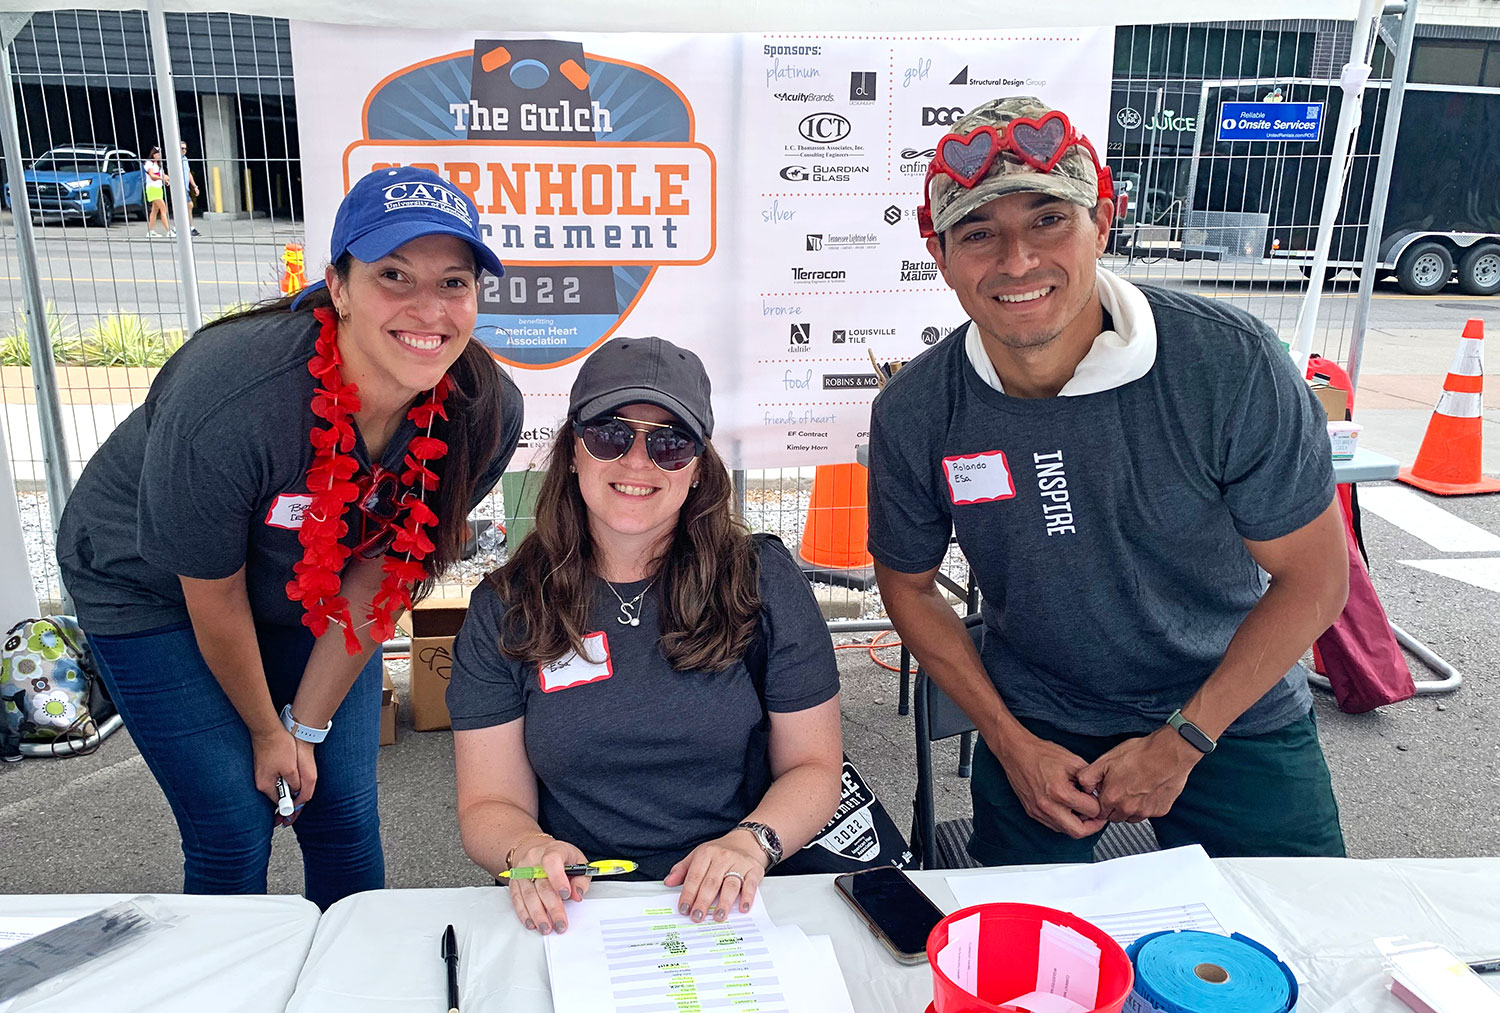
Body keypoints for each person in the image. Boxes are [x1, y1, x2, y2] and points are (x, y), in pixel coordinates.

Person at [868, 97, 1350, 866]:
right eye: (980, 234)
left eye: (1048, 220)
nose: (1017, 261)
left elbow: (1317, 580)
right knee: (1031, 972)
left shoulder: (1228, 362)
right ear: (941, 255)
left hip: (1231, 707)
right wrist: (1007, 739)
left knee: (1303, 951)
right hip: (1036, 725)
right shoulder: (917, 409)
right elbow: (909, 586)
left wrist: (1185, 737)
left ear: (1103, 219)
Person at [57, 165, 523, 909]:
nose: (427, 308)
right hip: (152, 588)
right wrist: (267, 733)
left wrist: (305, 724)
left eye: (454, 282)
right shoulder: (235, 393)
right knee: (233, 820)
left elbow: (386, 569)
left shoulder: (481, 408)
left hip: (314, 590)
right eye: (393, 275)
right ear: (337, 287)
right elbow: (214, 594)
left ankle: (355, 979)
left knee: (340, 808)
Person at [447, 336, 843, 935]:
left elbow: (814, 765)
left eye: (669, 443)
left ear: (698, 467)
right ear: (574, 449)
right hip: (576, 908)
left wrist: (752, 842)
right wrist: (527, 848)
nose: (637, 462)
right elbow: (486, 804)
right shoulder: (506, 606)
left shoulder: (760, 580)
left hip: (732, 896)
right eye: (611, 432)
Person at [175, 141, 201, 236]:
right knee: (189, 205)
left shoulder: (185, 159)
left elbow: (188, 173)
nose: (184, 150)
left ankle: (179, 227)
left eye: (185, 148)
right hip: (179, 187)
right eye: (182, 148)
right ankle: (189, 227)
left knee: (185, 207)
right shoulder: (175, 160)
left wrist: (194, 186)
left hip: (185, 187)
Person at [143, 146, 170, 237]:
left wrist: (166, 179)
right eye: (157, 154)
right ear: (153, 154)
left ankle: (150, 231)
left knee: (154, 210)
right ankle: (168, 230)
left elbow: (163, 175)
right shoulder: (149, 163)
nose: (158, 155)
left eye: (159, 154)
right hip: (152, 188)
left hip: (158, 188)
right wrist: (162, 178)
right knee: (163, 208)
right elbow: (152, 176)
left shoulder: (159, 165)